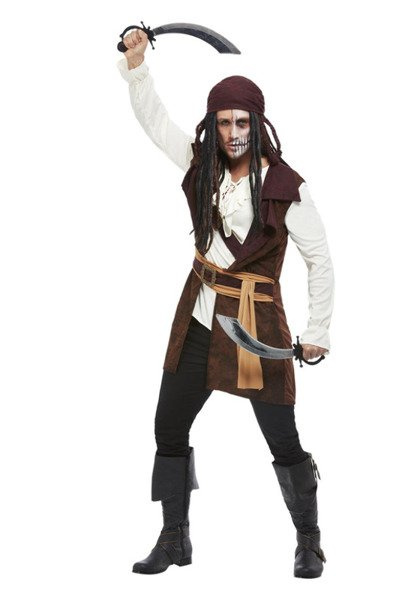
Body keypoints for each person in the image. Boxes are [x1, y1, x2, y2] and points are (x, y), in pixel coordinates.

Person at [117, 28, 335, 579]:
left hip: (256, 329)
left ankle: (309, 541)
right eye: (223, 122)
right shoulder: (202, 165)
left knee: (283, 439)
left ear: (257, 124)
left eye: (241, 122)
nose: (232, 133)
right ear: (212, 124)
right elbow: (155, 122)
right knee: (169, 426)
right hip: (199, 316)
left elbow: (320, 261)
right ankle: (174, 538)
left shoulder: (286, 186)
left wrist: (317, 330)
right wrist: (138, 67)